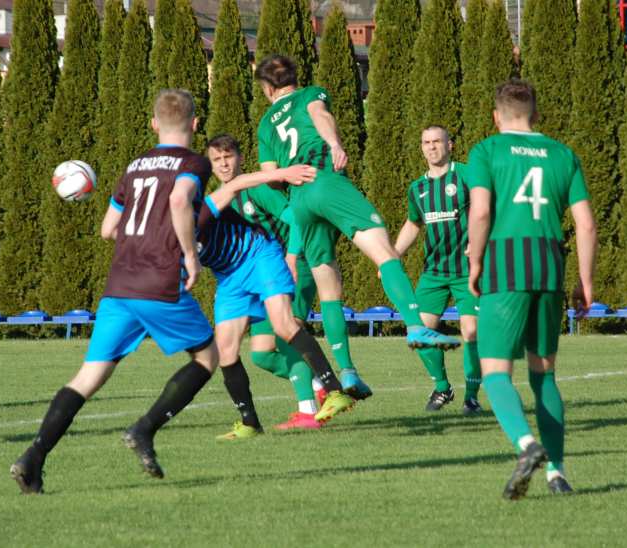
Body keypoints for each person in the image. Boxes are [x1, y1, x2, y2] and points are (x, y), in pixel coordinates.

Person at [9, 89, 220, 494]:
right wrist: (190, 256)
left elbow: (108, 229)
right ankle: (145, 429)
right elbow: (179, 199)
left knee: (89, 377)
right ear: (194, 124)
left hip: (120, 282)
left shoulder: (136, 165)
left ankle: (33, 457)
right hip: (158, 282)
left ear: (154, 123)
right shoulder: (194, 162)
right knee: (209, 356)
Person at [254, 55, 460, 373]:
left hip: (299, 200)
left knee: (328, 285)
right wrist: (334, 144)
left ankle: (348, 374)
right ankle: (416, 325)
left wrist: (289, 174)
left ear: (268, 88)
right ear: (294, 78)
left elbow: (270, 175)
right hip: (324, 180)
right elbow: (319, 114)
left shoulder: (266, 124)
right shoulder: (311, 94)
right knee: (384, 252)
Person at [466, 80, 596, 500]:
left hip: (506, 263)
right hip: (549, 265)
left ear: (495, 116)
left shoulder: (486, 151)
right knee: (544, 374)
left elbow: (482, 211)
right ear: (535, 115)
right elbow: (587, 224)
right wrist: (586, 281)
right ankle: (557, 473)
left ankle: (527, 446)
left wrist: (475, 260)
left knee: (495, 371)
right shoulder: (563, 154)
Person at [197, 147, 356, 439]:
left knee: (285, 331)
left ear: (239, 158)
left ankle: (321, 399)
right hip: (239, 277)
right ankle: (261, 417)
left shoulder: (239, 194)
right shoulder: (184, 221)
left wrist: (292, 256)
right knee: (249, 353)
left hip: (275, 261)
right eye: (216, 159)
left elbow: (292, 217)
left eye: (228, 157)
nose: (223, 164)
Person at [393, 126, 482, 414]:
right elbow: (413, 224)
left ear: (450, 145)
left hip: (468, 271)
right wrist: (392, 256)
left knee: (470, 332)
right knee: (418, 333)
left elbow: (490, 209)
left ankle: (471, 398)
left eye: (437, 142)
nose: (432, 147)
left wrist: (480, 241)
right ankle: (443, 389)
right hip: (434, 273)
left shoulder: (467, 176)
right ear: (422, 148)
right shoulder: (417, 188)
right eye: (426, 143)